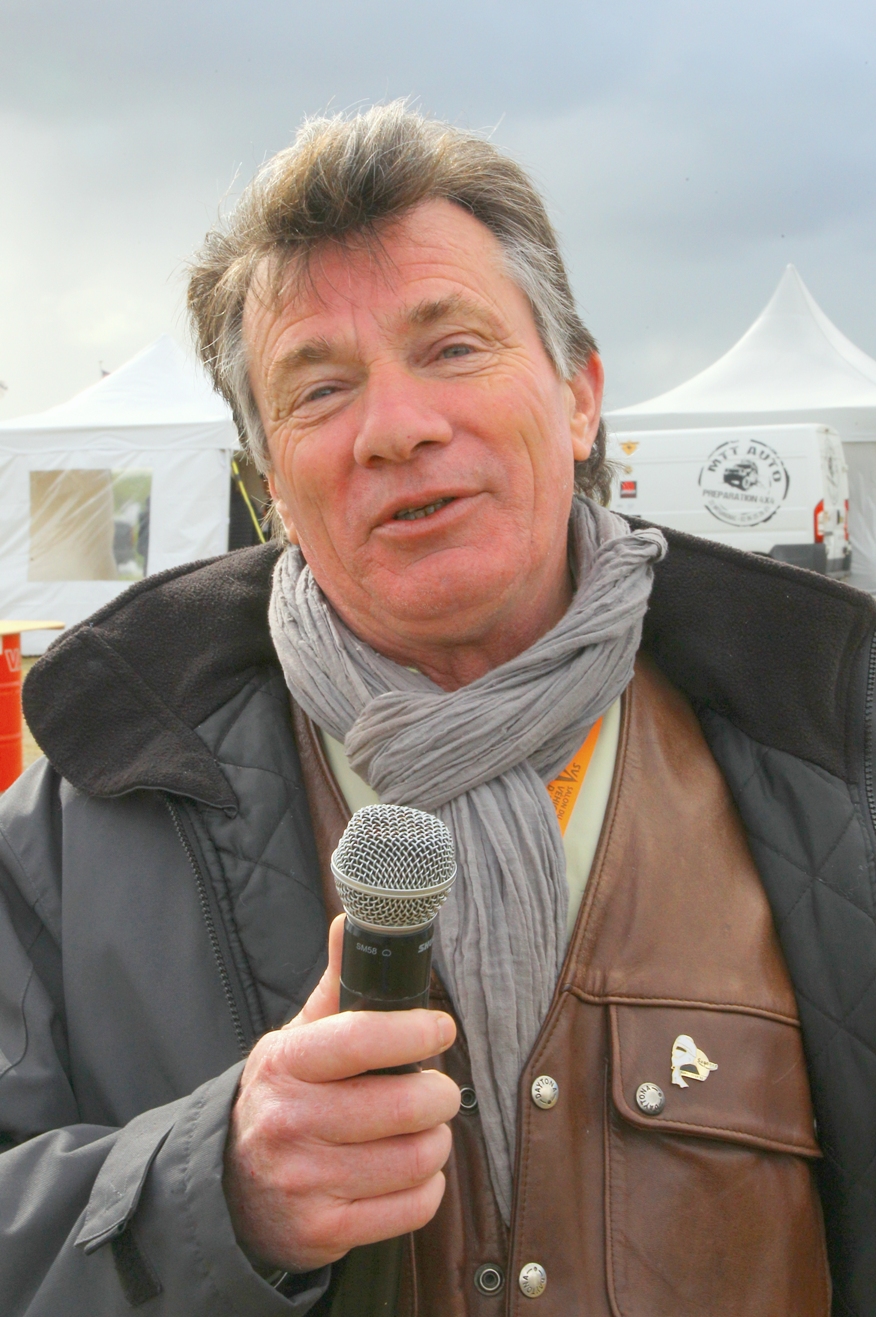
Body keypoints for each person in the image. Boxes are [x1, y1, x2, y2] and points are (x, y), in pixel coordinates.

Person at [0, 104, 874, 1317]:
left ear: (579, 397)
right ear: (271, 489)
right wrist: (217, 1192)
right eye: (319, 389)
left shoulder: (833, 762)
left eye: (453, 348)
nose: (398, 429)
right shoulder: (81, 828)